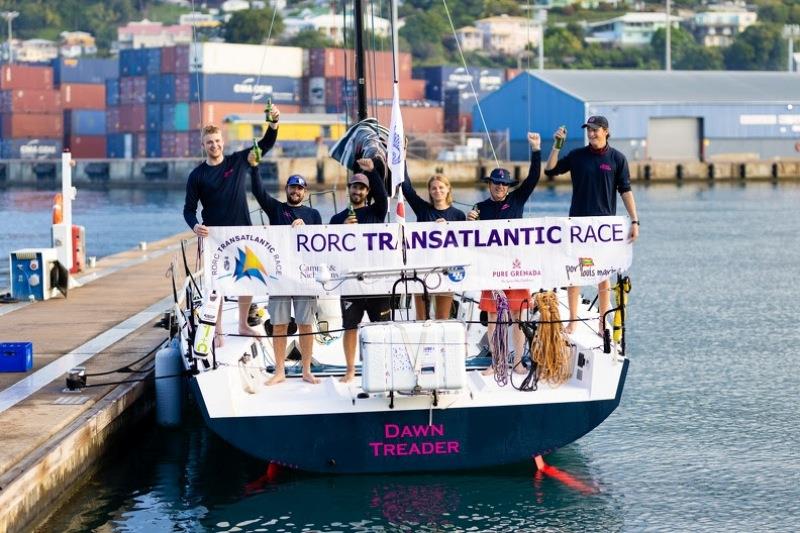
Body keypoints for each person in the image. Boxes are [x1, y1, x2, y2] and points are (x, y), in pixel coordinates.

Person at [182, 105, 281, 347]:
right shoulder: (197, 175)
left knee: (246, 278)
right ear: (203, 146)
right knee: (217, 284)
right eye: (209, 142)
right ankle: (216, 331)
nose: (214, 145)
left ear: (223, 142)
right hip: (215, 236)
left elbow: (266, 144)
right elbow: (188, 210)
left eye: (217, 141)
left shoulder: (238, 161)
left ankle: (242, 324)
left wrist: (274, 123)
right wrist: (195, 227)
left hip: (243, 231)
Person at [543, 115, 640, 335]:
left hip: (604, 228)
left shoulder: (617, 159)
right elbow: (550, 170)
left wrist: (634, 220)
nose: (592, 133)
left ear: (606, 131)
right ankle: (572, 321)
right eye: (589, 130)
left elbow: (625, 191)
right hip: (578, 224)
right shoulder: (578, 156)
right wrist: (557, 145)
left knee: (602, 275)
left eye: (596, 130)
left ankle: (601, 322)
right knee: (574, 272)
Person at [467, 132, 541, 375]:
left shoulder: (517, 199)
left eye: (503, 184)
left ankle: (518, 361)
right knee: (493, 317)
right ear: (489, 185)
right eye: (495, 183)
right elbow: (470, 238)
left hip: (516, 267)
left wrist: (536, 149)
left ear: (508, 187)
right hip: (491, 271)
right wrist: (469, 222)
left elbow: (533, 177)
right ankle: (497, 361)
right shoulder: (479, 208)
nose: (499, 187)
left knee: (519, 316)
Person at [249, 160, 322, 385]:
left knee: (305, 324)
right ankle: (279, 371)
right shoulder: (276, 209)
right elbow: (258, 191)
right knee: (279, 324)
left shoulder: (314, 214)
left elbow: (322, 245)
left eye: (300, 188)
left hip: (303, 276)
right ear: (287, 189)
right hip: (279, 275)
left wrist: (306, 230)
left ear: (305, 192)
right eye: (292, 187)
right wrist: (253, 167)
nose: (296, 191)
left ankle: (306, 371)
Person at [329, 157, 390, 383]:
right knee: (350, 327)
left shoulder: (377, 212)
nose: (358, 190)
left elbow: (383, 196)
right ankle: (350, 370)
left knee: (381, 329)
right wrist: (341, 231)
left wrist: (373, 171)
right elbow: (329, 249)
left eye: (362, 187)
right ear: (349, 189)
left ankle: (382, 368)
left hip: (376, 281)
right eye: (355, 186)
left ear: (367, 192)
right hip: (350, 282)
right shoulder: (337, 219)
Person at [402, 168, 465, 320]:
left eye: (441, 187)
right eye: (434, 188)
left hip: (446, 270)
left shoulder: (458, 215)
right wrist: (402, 159)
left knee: (442, 316)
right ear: (429, 191)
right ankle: (422, 344)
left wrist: (448, 226)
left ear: (448, 189)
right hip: (423, 268)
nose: (437, 191)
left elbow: (464, 244)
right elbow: (407, 189)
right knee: (421, 316)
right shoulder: (423, 210)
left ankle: (441, 344)